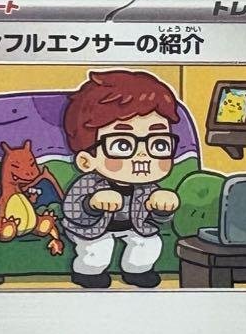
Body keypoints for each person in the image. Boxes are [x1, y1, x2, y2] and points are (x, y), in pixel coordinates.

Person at [61, 69, 181, 288]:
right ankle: (87, 273)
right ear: (87, 161)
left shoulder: (148, 187)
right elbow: (73, 212)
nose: (142, 156)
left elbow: (156, 220)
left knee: (149, 243)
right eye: (122, 145)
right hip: (92, 229)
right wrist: (92, 204)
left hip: (133, 226)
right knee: (100, 248)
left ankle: (137, 271)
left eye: (159, 144)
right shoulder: (88, 184)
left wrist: (163, 208)